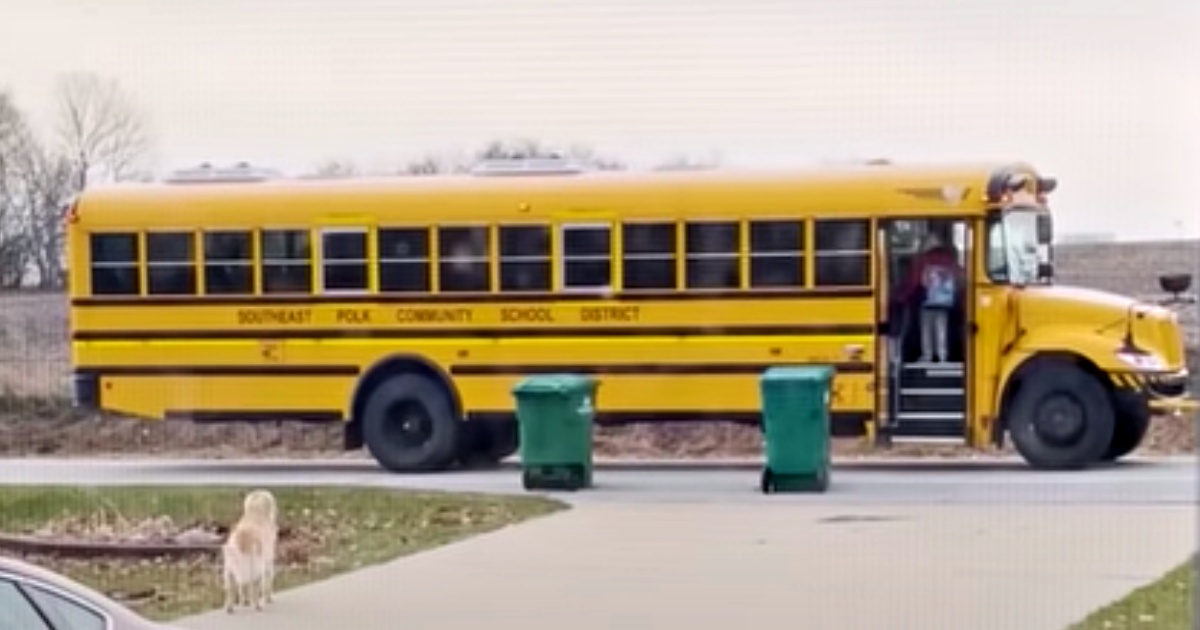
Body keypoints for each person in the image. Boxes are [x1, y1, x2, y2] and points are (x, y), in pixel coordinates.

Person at [898, 231, 962, 363]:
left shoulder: (923, 260)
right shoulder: (949, 260)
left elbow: (916, 282)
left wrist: (903, 297)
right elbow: (959, 278)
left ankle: (928, 355)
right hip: (945, 301)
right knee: (941, 328)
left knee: (927, 329)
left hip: (926, 300)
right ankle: (943, 355)